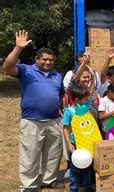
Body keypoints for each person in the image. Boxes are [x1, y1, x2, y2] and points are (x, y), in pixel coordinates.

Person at [3, 30, 65, 190]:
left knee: (53, 154)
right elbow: (8, 66)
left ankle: (49, 180)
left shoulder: (57, 75)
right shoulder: (26, 70)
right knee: (30, 155)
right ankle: (29, 185)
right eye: (44, 59)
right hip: (32, 122)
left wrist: (61, 111)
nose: (48, 62)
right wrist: (18, 48)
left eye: (51, 60)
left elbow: (60, 95)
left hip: (54, 121)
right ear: (36, 59)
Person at [62, 83, 94, 192]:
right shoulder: (68, 112)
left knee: (88, 168)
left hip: (86, 143)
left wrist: (93, 78)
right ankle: (74, 188)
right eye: (85, 99)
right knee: (74, 169)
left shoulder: (85, 107)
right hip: (74, 144)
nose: (87, 101)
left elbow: (91, 92)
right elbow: (65, 127)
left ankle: (88, 187)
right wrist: (69, 143)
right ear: (76, 100)